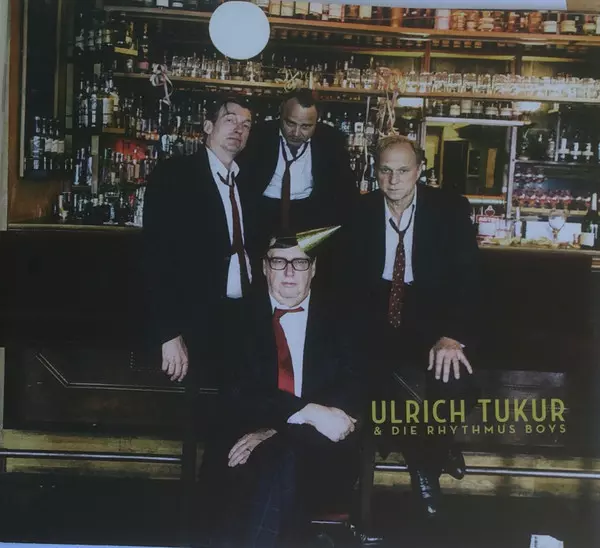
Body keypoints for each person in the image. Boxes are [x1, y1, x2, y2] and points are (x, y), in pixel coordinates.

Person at [196, 227, 364, 548]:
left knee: (279, 460)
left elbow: (351, 391)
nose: (289, 272)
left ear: (313, 269)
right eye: (278, 262)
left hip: (320, 454)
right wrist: (307, 412)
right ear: (264, 267)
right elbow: (238, 393)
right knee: (266, 468)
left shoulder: (344, 320)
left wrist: (277, 431)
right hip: (246, 445)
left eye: (299, 263)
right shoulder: (235, 319)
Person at [342, 134, 480, 519]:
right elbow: (343, 285)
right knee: (377, 386)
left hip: (431, 320)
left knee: (454, 385)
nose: (393, 180)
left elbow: (470, 279)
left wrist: (451, 336)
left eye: (403, 171)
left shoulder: (448, 209)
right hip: (375, 320)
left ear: (419, 171)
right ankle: (426, 467)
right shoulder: (359, 211)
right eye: (385, 171)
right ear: (375, 172)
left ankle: (430, 455)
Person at [142, 96, 257, 388]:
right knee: (198, 405)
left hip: (242, 318)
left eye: (246, 125)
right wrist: (168, 333)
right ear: (208, 126)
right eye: (230, 120)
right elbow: (155, 257)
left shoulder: (246, 180)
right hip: (194, 321)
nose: (238, 129)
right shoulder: (175, 175)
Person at [238, 88, 358, 236]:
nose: (296, 133)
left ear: (317, 121)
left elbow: (347, 191)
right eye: (290, 123)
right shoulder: (257, 136)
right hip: (262, 213)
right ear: (281, 113)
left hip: (310, 215)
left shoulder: (331, 140)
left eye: (305, 127)